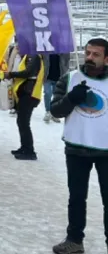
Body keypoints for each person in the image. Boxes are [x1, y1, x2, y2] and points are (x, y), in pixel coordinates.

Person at [51, 38, 108, 254]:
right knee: (76, 197)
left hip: (106, 150)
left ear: (107, 59)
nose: (90, 58)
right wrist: (71, 99)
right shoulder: (70, 78)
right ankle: (74, 239)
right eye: (88, 53)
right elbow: (55, 110)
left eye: (96, 55)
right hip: (77, 148)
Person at [4, 50, 44, 160]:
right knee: (21, 121)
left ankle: (29, 150)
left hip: (29, 93)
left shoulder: (34, 56)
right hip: (25, 92)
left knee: (24, 122)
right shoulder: (29, 54)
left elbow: (28, 72)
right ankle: (24, 147)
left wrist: (11, 74)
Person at [44, 52, 70, 123]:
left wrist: (65, 71)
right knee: (47, 93)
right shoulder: (46, 50)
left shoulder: (63, 51)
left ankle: (54, 113)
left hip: (59, 77)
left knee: (56, 96)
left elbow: (67, 61)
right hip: (47, 77)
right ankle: (48, 111)